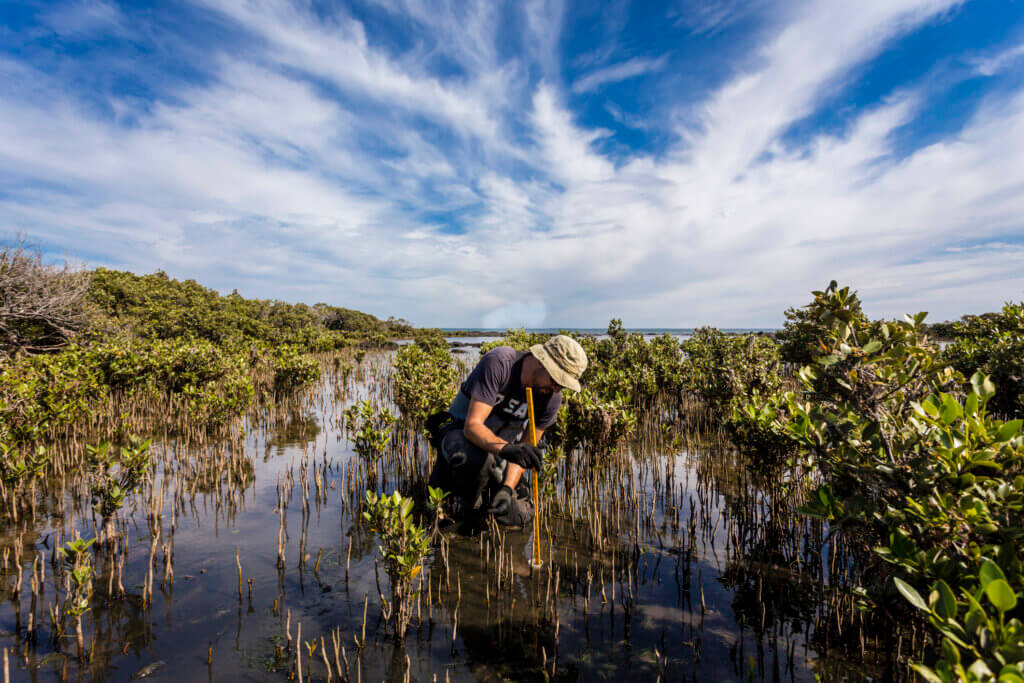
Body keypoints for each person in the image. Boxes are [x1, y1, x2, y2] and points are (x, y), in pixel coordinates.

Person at [428, 334, 587, 528]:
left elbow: (526, 446)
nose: (556, 389)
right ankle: (466, 506)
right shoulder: (500, 363)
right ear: (541, 361)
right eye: (555, 380)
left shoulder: (552, 399)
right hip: (459, 438)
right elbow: (473, 427)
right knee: (477, 459)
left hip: (499, 453)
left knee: (518, 515)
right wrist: (508, 450)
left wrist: (507, 488)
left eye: (562, 385)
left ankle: (489, 494)